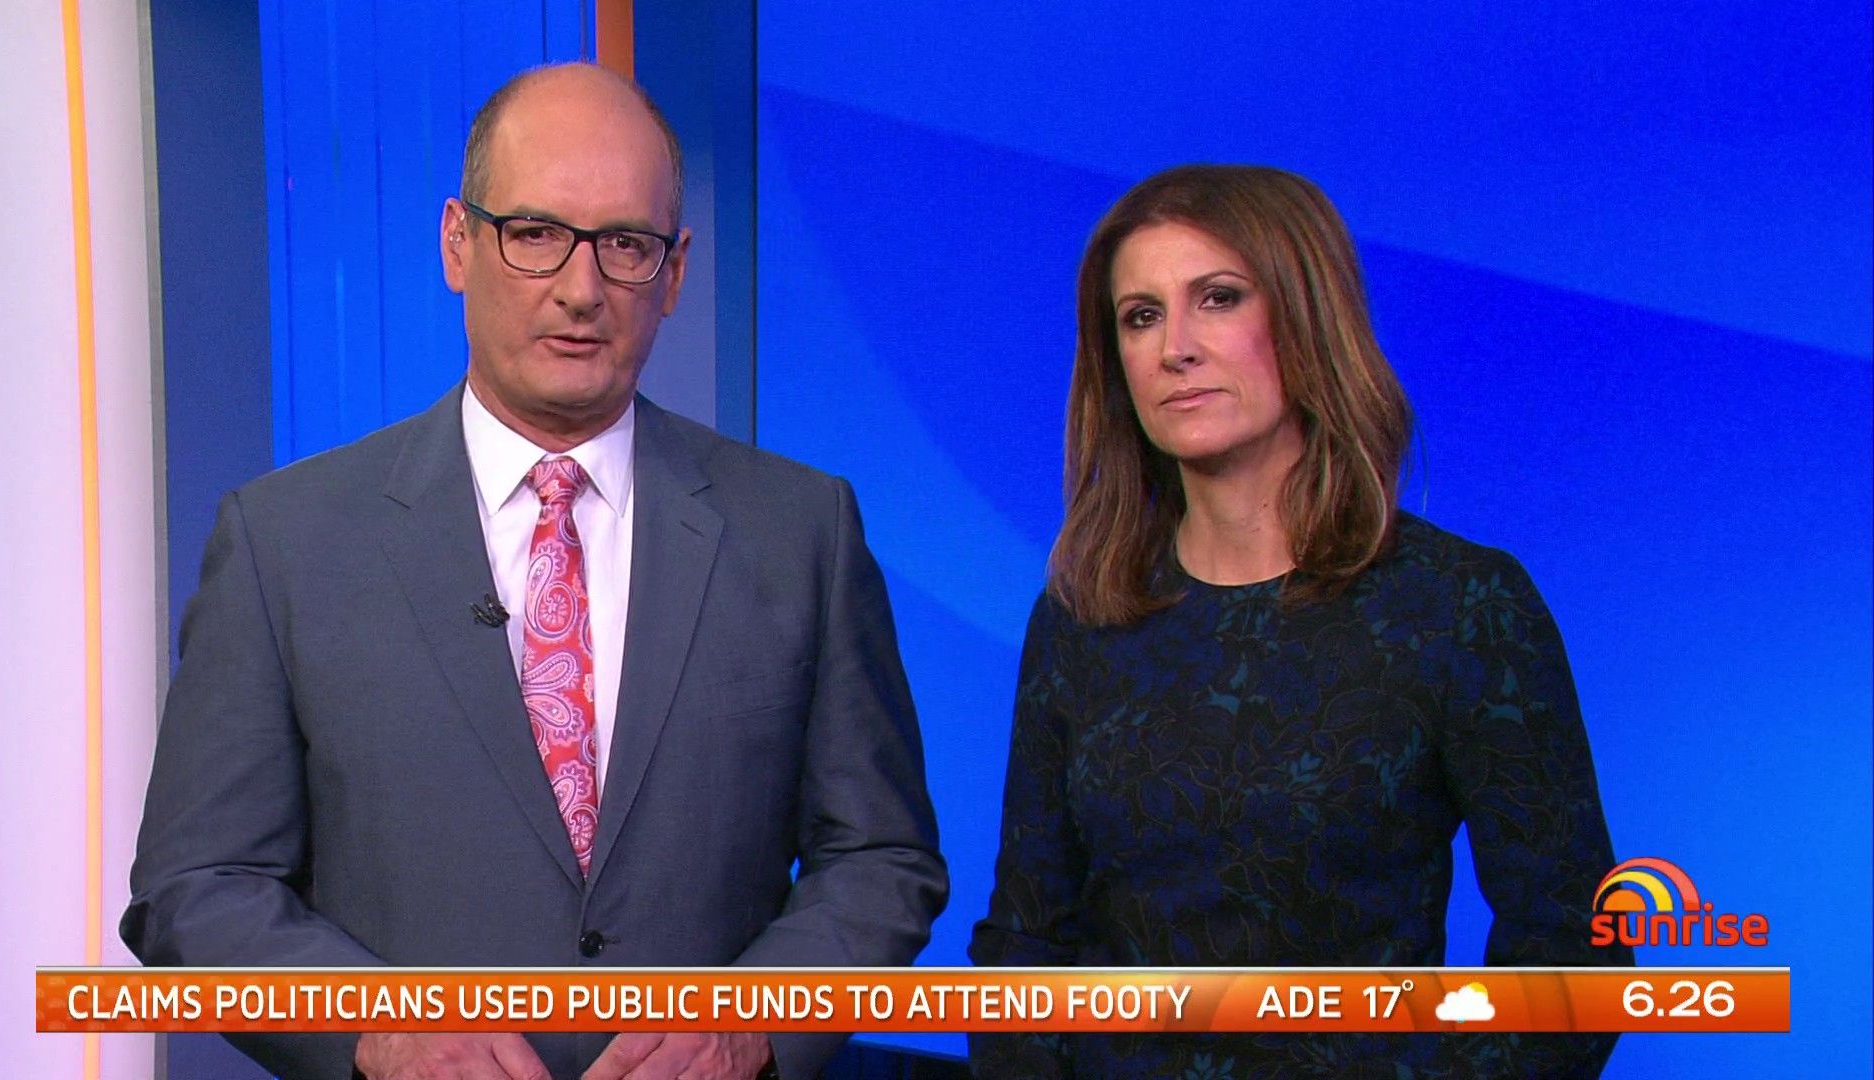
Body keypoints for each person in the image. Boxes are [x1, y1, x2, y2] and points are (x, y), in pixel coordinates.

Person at [123, 62, 946, 1080]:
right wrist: (376, 1030)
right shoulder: (284, 542)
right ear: (457, 243)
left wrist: (753, 1025)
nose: (581, 288)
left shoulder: (800, 531)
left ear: (676, 272)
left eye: (626, 245)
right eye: (536, 232)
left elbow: (879, 858)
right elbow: (196, 885)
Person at [967, 165, 1627, 1078]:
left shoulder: (1461, 606)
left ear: (1306, 317)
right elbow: (1025, 941)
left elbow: (1571, 955)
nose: (1175, 349)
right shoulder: (1083, 613)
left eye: (1218, 298)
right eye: (1141, 316)